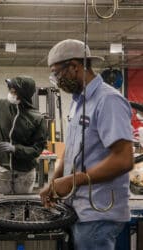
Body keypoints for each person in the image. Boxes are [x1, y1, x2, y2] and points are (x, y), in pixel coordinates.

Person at [40, 39, 133, 250]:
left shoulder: (108, 101)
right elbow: (71, 149)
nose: (56, 80)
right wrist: (54, 182)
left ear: (74, 66)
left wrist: (74, 180)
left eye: (57, 73)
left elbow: (123, 158)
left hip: (99, 211)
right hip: (79, 209)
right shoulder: (78, 102)